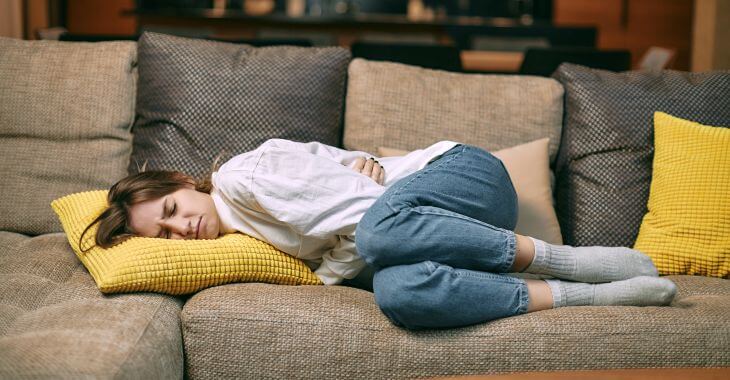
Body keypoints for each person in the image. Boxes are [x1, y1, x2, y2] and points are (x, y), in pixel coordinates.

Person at [82, 139, 677, 330]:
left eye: (171, 207)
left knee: (377, 237)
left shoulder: (241, 179)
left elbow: (370, 215)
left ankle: (570, 261)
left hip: (466, 177)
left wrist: (324, 277)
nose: (181, 228)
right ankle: (591, 295)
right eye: (165, 233)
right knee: (397, 295)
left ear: (185, 183)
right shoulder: (239, 240)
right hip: (435, 230)